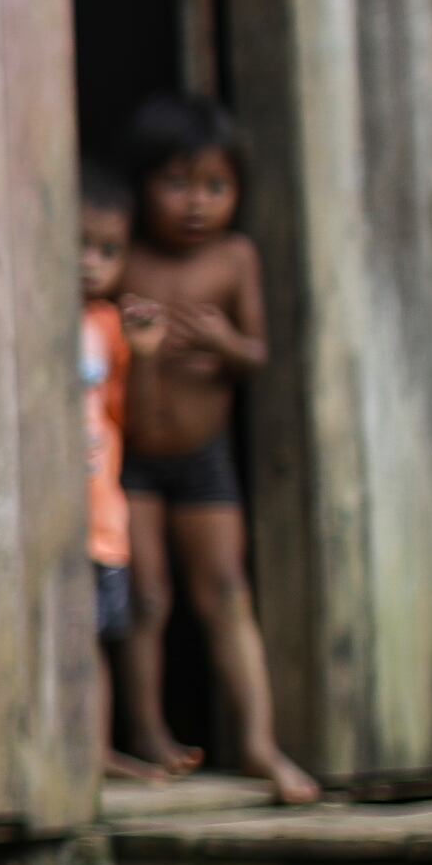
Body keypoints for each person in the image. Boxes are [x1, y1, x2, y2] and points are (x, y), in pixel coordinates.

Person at [111, 94, 316, 801]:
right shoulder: (124, 257)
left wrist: (225, 344)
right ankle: (148, 733)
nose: (196, 204)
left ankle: (258, 741)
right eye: (176, 184)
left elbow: (256, 354)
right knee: (144, 595)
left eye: (215, 187)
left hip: (203, 456)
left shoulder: (234, 259)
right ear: (141, 185)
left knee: (226, 590)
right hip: (129, 457)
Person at [78, 161, 167, 782]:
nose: (90, 262)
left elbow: (125, 416)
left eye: (107, 250)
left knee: (96, 642)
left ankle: (100, 751)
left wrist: (148, 356)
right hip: (51, 519)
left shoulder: (111, 329)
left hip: (99, 514)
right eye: (78, 245)